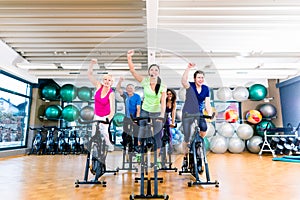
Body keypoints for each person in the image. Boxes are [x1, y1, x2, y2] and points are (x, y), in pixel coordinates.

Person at [127, 49, 167, 157]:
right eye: (152, 70)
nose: (153, 72)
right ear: (149, 72)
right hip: (145, 110)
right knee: (141, 130)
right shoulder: (145, 81)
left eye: (156, 70)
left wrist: (162, 115)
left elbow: (163, 102)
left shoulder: (163, 86)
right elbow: (133, 71)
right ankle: (140, 153)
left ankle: (157, 158)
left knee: (157, 135)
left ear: (158, 73)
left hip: (156, 112)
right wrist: (129, 58)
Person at [181, 63, 212, 156]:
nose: (200, 79)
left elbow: (207, 103)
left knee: (203, 128)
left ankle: (199, 143)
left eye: (202, 77)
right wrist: (188, 68)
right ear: (195, 79)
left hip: (199, 112)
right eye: (198, 77)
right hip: (187, 112)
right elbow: (183, 81)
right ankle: (186, 155)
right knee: (187, 135)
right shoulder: (190, 86)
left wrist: (209, 113)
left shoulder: (206, 88)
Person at [88, 58, 115, 152]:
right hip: (97, 114)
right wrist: (91, 64)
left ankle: (109, 145)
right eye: (105, 79)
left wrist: (108, 119)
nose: (107, 81)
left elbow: (112, 111)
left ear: (112, 82)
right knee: (93, 133)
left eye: (109, 80)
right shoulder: (99, 86)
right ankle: (93, 150)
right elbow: (89, 75)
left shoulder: (111, 93)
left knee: (104, 132)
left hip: (105, 116)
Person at [116, 76, 142, 152]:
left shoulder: (137, 97)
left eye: (131, 88)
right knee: (125, 131)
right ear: (126, 89)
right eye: (128, 88)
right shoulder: (125, 95)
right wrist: (120, 81)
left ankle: (136, 146)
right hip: (127, 117)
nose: (129, 89)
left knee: (136, 132)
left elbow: (138, 109)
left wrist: (136, 120)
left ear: (134, 90)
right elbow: (118, 89)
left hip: (135, 117)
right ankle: (125, 143)